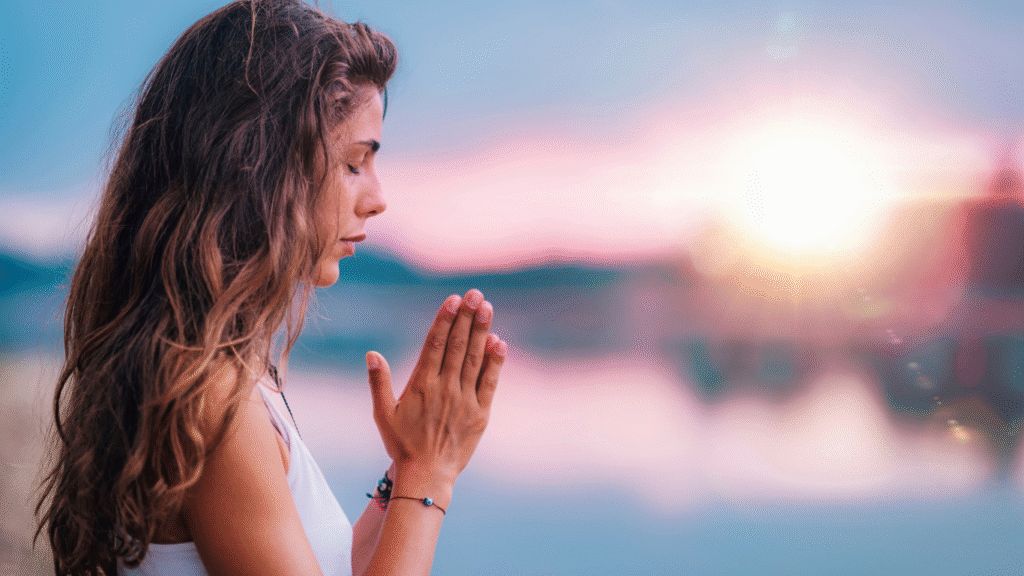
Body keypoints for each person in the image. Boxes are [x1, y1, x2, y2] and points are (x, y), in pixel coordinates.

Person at [35, 1, 508, 574]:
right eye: (354, 163)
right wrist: (429, 476)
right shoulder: (212, 401)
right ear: (260, 166)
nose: (377, 197)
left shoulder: (218, 370)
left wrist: (408, 465)